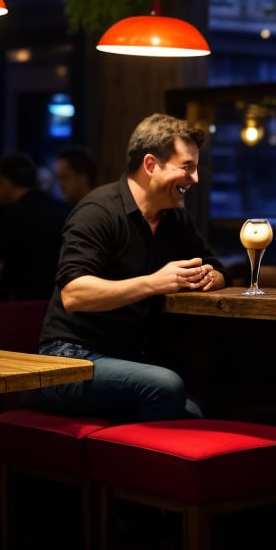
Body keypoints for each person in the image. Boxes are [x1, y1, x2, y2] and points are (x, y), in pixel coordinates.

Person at [37, 113, 230, 423]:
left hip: (125, 359)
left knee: (195, 409)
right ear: (151, 165)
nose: (195, 179)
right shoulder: (98, 211)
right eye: (187, 167)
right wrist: (155, 282)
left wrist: (213, 276)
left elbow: (215, 265)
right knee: (167, 386)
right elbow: (75, 293)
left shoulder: (174, 219)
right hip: (67, 358)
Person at [0, 152, 69, 299]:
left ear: (6, 183)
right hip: (59, 300)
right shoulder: (60, 207)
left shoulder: (13, 215)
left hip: (24, 301)